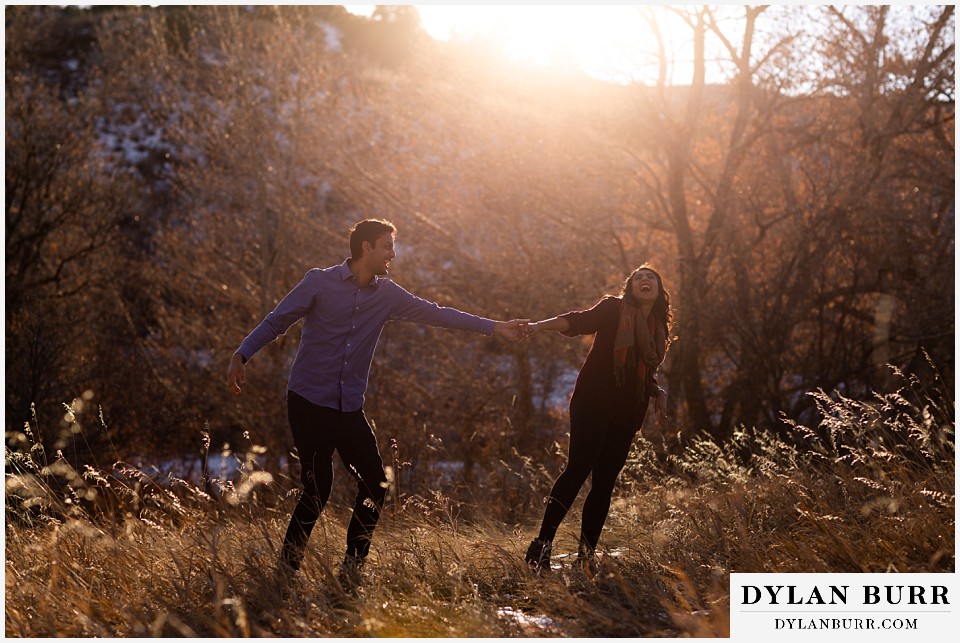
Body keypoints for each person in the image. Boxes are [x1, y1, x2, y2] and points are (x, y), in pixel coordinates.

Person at [226, 218, 526, 586]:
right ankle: (285, 573)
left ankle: (351, 571)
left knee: (375, 485)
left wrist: (496, 326)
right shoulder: (319, 282)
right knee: (318, 489)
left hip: (349, 407)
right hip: (308, 401)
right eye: (387, 246)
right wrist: (242, 354)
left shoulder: (388, 295)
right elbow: (277, 321)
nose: (393, 255)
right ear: (366, 247)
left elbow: (438, 314)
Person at [520, 264, 672, 573]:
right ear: (630, 288)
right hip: (594, 399)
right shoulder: (615, 309)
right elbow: (578, 321)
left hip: (627, 409)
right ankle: (541, 546)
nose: (644, 280)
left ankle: (585, 557)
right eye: (638, 278)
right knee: (578, 469)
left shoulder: (658, 326)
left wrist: (656, 389)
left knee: (605, 482)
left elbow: (640, 368)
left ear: (658, 290)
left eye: (650, 278)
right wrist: (537, 326)